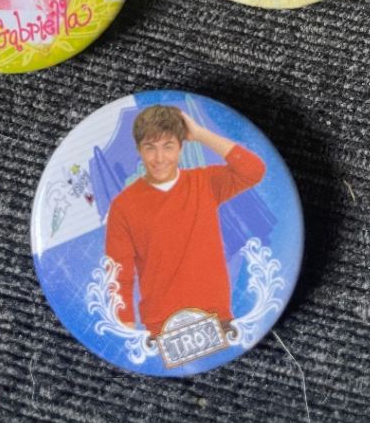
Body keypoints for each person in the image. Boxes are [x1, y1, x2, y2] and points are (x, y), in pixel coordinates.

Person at [104, 104, 265, 336]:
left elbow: (253, 170)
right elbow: (119, 271)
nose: (159, 158)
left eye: (168, 146)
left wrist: (200, 134)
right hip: (162, 325)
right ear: (139, 150)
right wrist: (125, 328)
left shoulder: (205, 182)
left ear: (181, 147)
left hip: (216, 315)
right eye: (150, 147)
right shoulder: (123, 205)